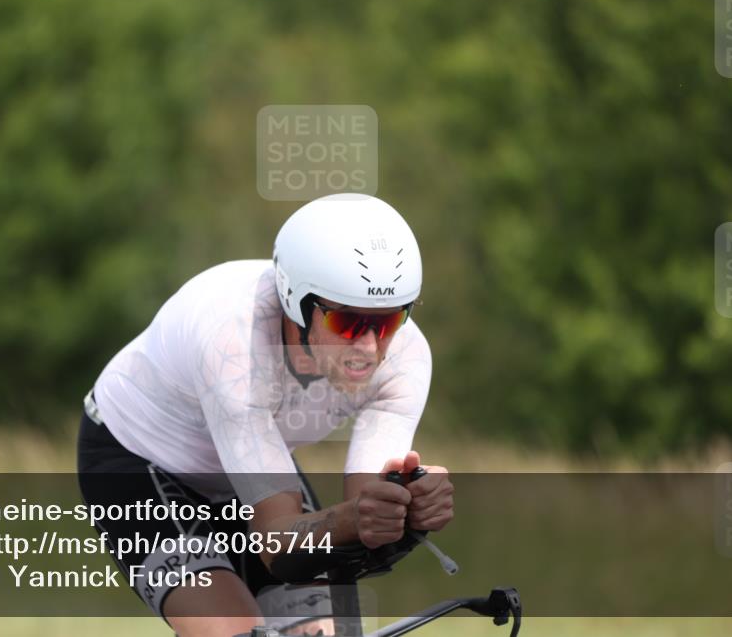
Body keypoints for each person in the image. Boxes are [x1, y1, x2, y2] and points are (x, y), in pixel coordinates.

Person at [77, 193, 454, 636]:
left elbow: (362, 521)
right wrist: (355, 519)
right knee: (236, 631)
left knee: (319, 631)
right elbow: (278, 541)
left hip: (248, 455)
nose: (370, 347)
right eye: (348, 323)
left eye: (389, 320)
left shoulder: (406, 357)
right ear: (297, 302)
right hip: (138, 457)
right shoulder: (233, 344)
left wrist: (406, 509)